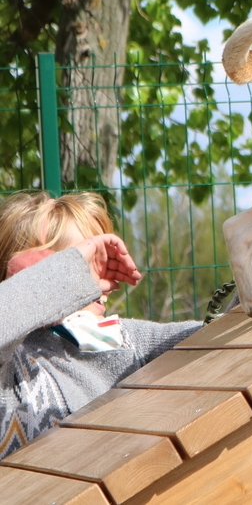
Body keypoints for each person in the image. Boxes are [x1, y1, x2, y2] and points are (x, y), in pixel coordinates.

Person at [0, 191, 202, 459]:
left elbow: (223, 336)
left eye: (103, 261)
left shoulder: (122, 338)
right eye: (85, 262)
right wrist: (62, 280)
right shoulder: (14, 368)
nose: (98, 279)